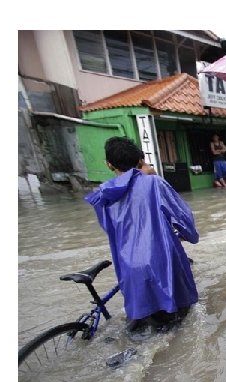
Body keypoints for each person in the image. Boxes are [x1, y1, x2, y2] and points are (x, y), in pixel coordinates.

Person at [85, 136, 199, 332]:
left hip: (129, 269)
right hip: (163, 265)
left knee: (145, 329)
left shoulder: (102, 196)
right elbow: (183, 217)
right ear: (139, 160)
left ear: (109, 164)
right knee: (178, 327)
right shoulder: (154, 183)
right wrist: (190, 236)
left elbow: (111, 230)